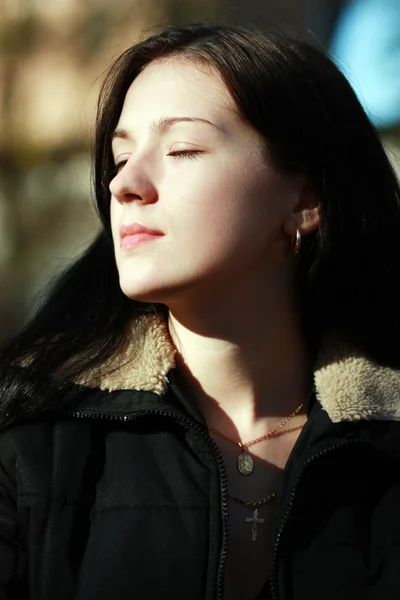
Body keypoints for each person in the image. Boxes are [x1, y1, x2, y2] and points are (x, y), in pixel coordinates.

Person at [0, 22, 399, 600]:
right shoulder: (29, 439)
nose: (126, 185)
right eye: (119, 156)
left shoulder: (384, 442)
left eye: (182, 148)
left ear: (305, 199)